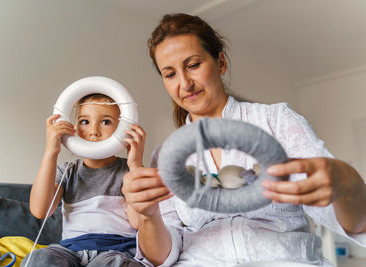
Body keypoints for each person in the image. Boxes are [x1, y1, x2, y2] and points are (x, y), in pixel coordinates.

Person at [121, 13, 366, 266]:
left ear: (221, 63)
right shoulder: (167, 155)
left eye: (193, 65)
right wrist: (149, 214)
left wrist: (348, 184)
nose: (185, 83)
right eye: (170, 74)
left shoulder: (277, 121)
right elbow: (162, 256)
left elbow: (345, 217)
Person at [22, 94, 145, 267]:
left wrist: (136, 165)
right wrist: (51, 151)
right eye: (84, 122)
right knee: (40, 258)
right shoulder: (67, 171)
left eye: (106, 121)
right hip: (70, 251)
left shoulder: (129, 170)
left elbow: (138, 222)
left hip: (116, 251)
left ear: (121, 128)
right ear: (74, 127)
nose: (93, 131)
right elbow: (40, 210)